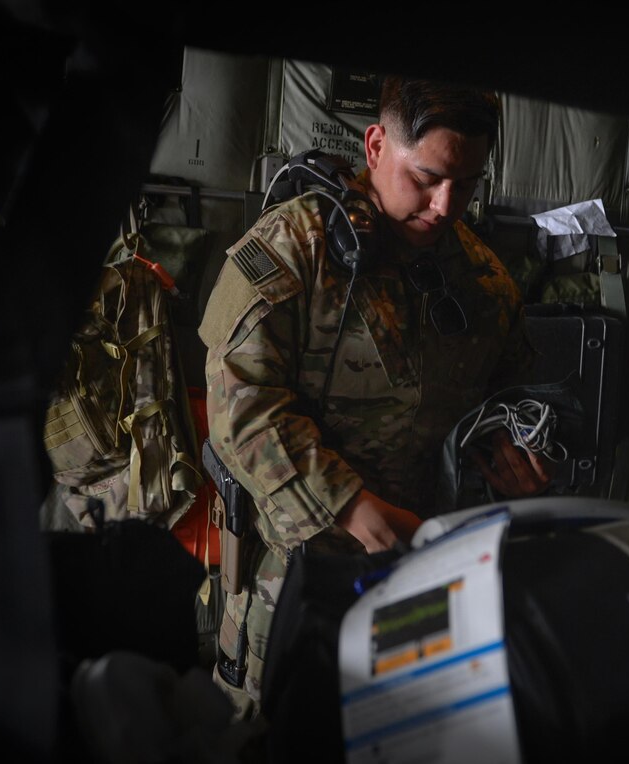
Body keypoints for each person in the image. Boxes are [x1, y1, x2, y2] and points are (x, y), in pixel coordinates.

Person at [197, 75, 554, 718]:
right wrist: (351, 506)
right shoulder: (295, 247)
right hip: (292, 582)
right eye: (426, 177)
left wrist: (520, 469)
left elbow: (513, 405)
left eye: (466, 184)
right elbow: (239, 405)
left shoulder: (484, 285)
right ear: (376, 145)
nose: (445, 205)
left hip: (418, 583)